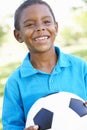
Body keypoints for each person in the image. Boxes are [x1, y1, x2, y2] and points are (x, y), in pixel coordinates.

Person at [2, 0, 87, 130]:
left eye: (46, 22)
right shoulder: (15, 83)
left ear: (56, 27)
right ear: (18, 35)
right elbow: (12, 126)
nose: (40, 28)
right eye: (30, 24)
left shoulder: (80, 67)